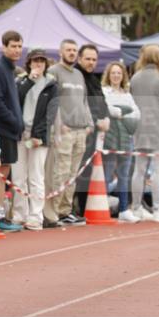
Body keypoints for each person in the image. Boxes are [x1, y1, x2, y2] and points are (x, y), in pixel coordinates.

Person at [43, 39, 92, 228]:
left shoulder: (79, 74)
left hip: (81, 130)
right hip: (64, 130)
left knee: (73, 174)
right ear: (60, 52)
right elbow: (52, 99)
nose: (72, 53)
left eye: (74, 50)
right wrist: (59, 123)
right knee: (60, 172)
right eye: (68, 50)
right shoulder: (54, 72)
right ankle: (53, 211)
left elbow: (84, 101)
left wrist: (89, 123)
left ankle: (66, 210)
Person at [129, 44, 159, 222]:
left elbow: (131, 101)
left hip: (140, 126)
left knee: (139, 169)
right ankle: (158, 208)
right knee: (158, 170)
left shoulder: (135, 78)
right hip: (158, 127)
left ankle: (136, 207)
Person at [14, 49, 58, 231]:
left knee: (36, 176)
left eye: (41, 61)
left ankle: (36, 216)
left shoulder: (52, 85)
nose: (38, 64)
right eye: (34, 61)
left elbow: (51, 113)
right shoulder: (21, 81)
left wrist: (39, 135)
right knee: (18, 176)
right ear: (29, 63)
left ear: (46, 64)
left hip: (39, 137)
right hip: (20, 134)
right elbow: (16, 101)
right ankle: (19, 214)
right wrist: (30, 81)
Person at [0, 30, 24, 231]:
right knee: (0, 171)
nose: (17, 50)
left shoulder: (10, 69)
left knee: (4, 171)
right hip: (2, 130)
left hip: (10, 130)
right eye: (13, 46)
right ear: (4, 47)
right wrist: (14, 122)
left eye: (19, 46)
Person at [101, 61, 141, 223]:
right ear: (108, 75)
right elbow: (106, 109)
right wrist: (122, 112)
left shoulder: (127, 94)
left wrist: (121, 113)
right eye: (113, 73)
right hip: (110, 139)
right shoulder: (104, 91)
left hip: (126, 139)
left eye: (119, 73)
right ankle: (102, 207)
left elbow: (136, 114)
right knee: (107, 174)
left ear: (123, 75)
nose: (116, 76)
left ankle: (124, 209)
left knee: (125, 175)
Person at [74, 44, 111, 216]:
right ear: (79, 58)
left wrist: (106, 118)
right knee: (79, 171)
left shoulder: (94, 79)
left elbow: (102, 102)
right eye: (87, 59)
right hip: (82, 131)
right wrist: (96, 120)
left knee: (89, 172)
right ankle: (77, 209)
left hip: (97, 134)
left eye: (94, 59)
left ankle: (84, 208)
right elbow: (80, 105)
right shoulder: (76, 77)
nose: (91, 62)